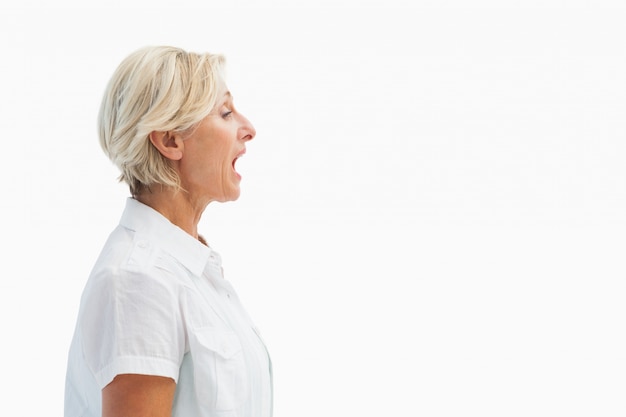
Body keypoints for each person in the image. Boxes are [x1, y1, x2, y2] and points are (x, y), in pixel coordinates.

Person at [64, 45, 272, 417]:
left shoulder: (188, 271)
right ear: (170, 140)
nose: (249, 128)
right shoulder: (137, 280)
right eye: (225, 112)